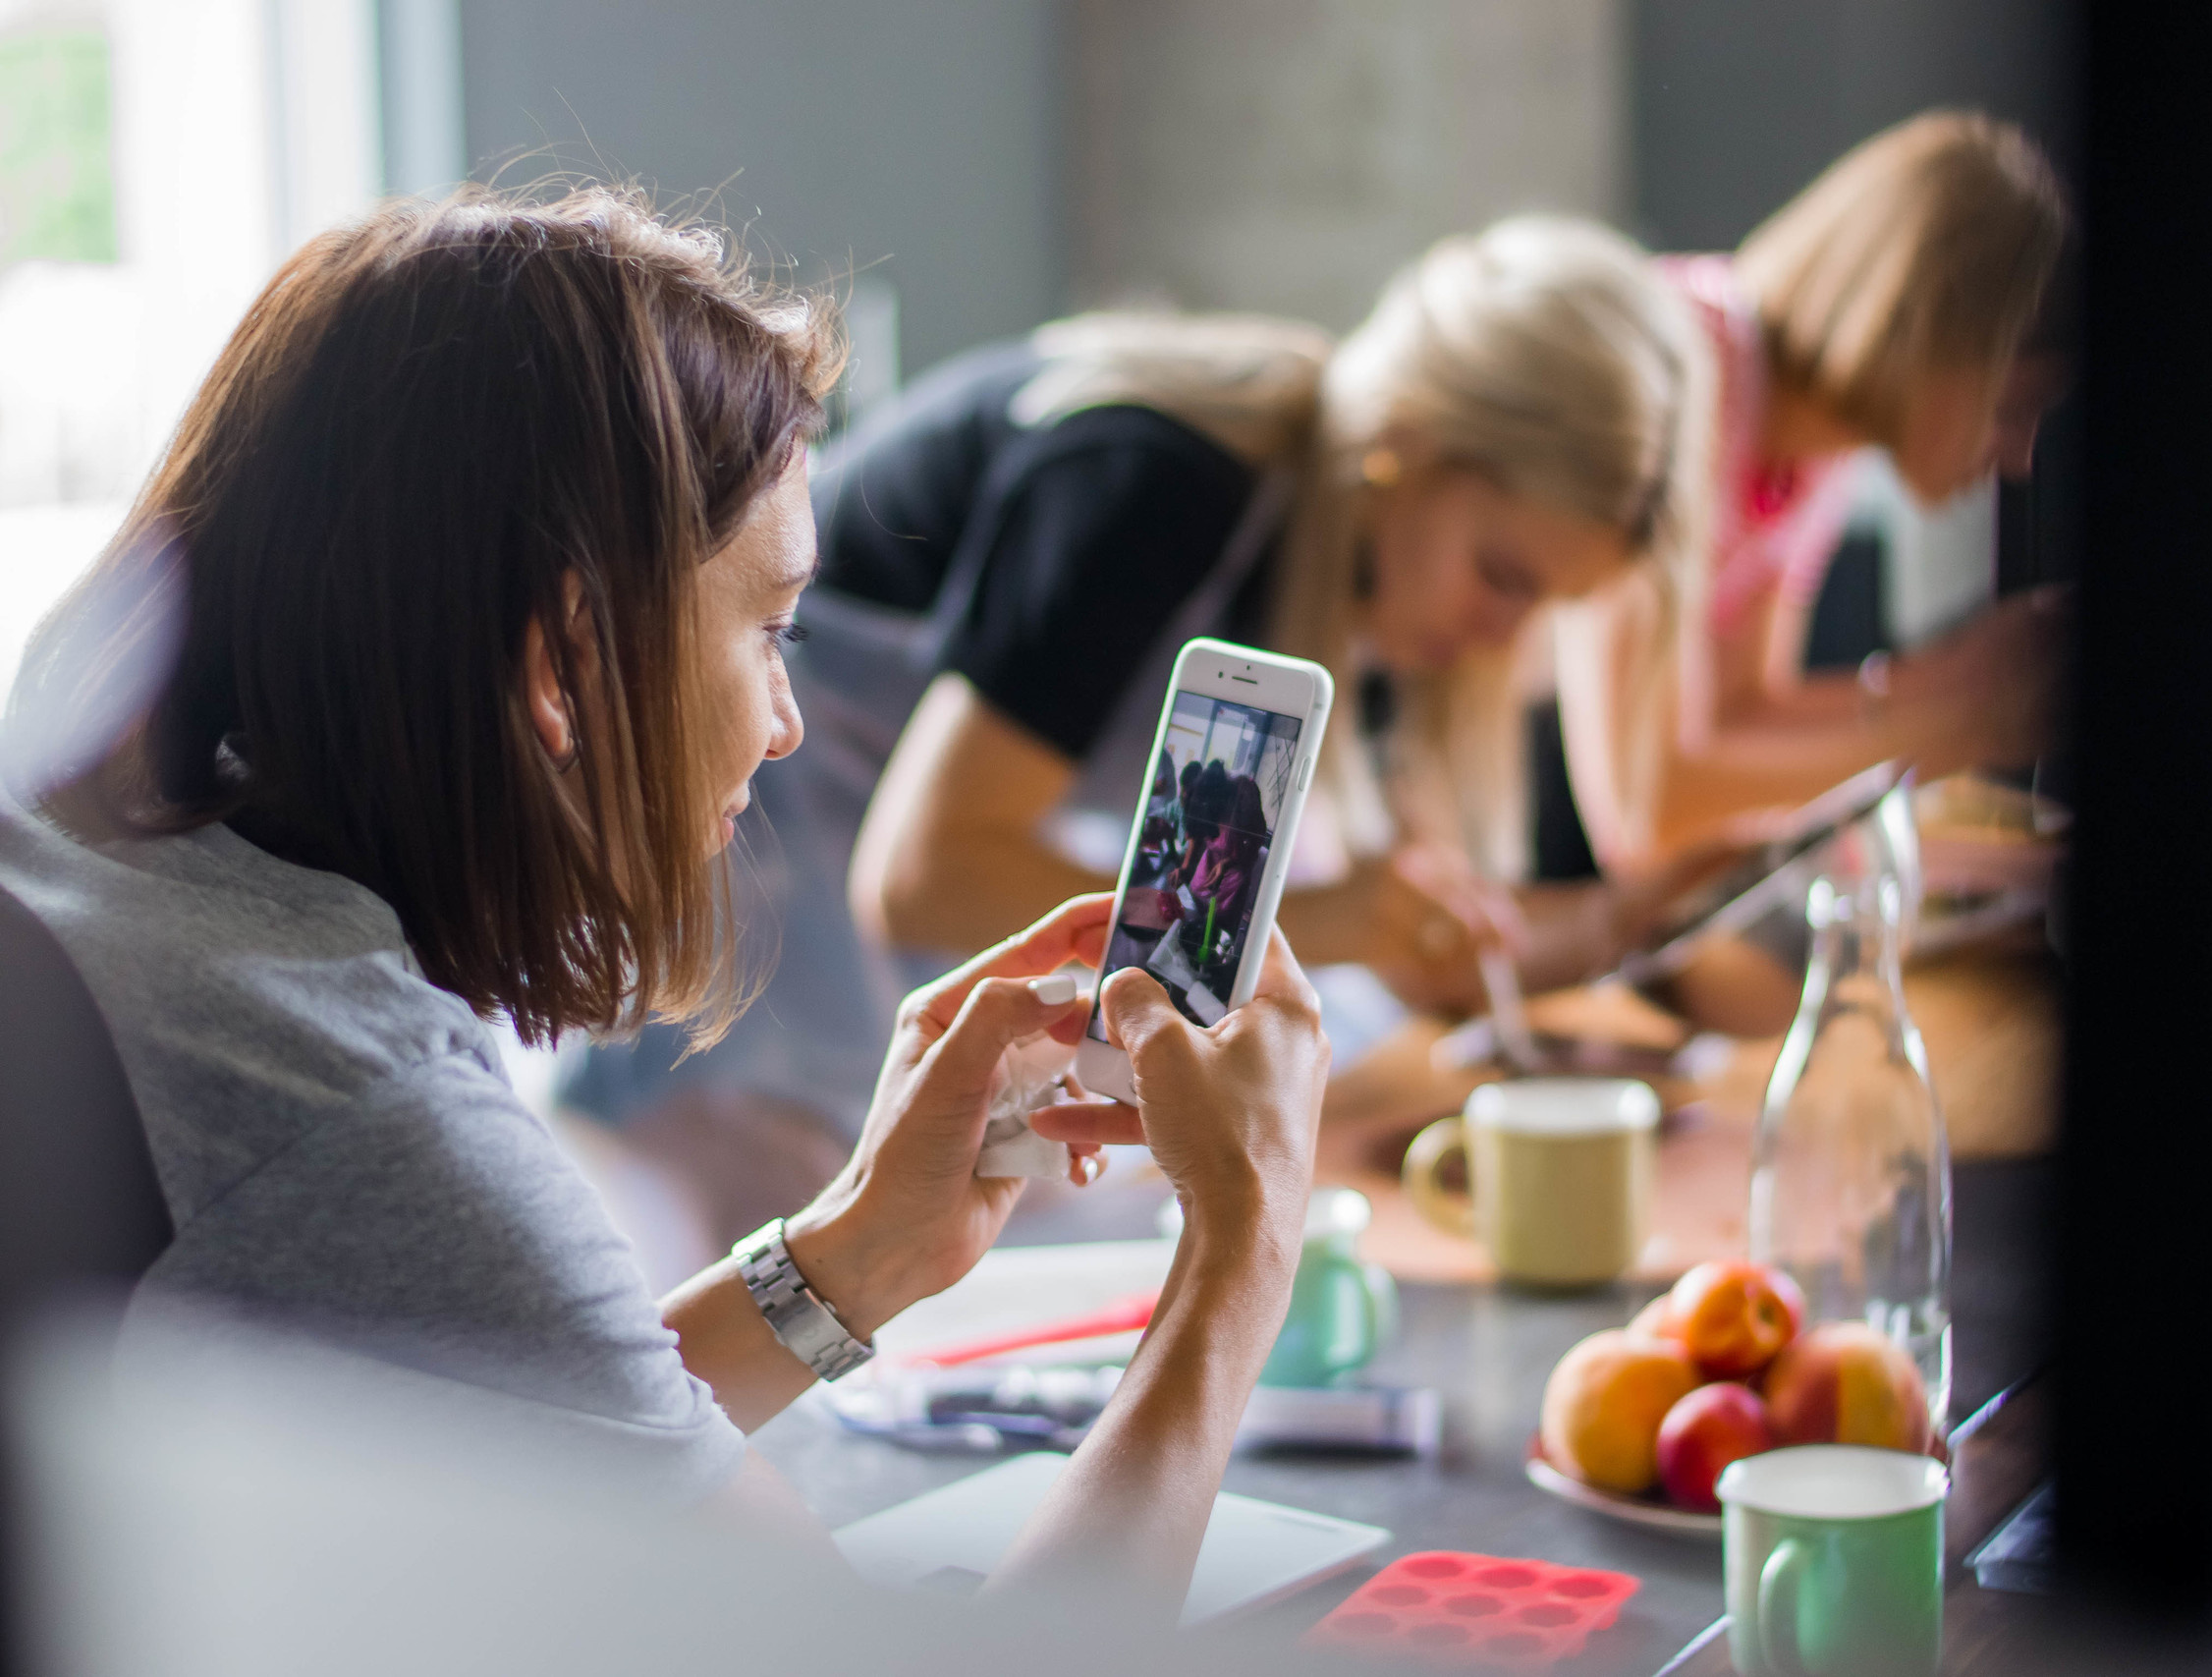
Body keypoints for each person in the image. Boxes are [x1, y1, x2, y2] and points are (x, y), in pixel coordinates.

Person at [0, 186, 1328, 1611]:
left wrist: (852, 1256)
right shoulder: (348, 1101)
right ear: (562, 658)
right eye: (769, 628)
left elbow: (539, 1427)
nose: (788, 724)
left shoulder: (112, 881)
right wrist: (1239, 1254)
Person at [561, 215, 1740, 1221]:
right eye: (1504, 577)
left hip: (893, 887)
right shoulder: (1152, 485)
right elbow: (923, 872)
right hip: (760, 852)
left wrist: (1600, 923)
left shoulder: (1365, 578)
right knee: (771, 1268)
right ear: (1408, 448)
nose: (1505, 641)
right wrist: (1311, 923)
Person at [1555, 110, 2074, 877]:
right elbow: (1643, 809)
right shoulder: (1690, 372)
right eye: (2009, 407)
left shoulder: (1814, 445)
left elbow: (1743, 711)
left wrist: (1947, 683)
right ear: (1927, 331)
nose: (2021, 457)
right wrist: (1957, 725)